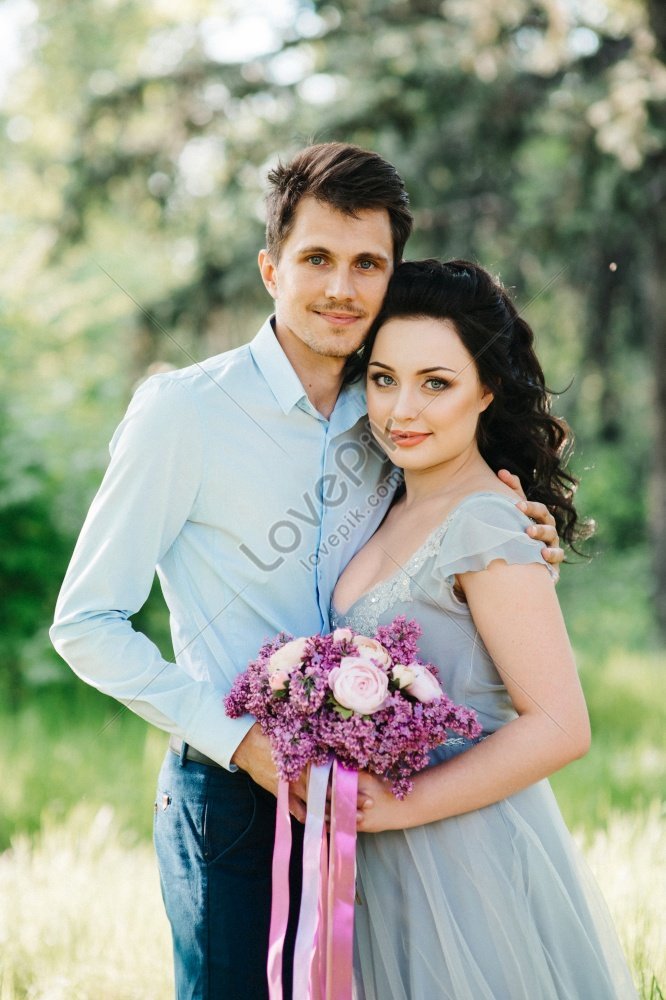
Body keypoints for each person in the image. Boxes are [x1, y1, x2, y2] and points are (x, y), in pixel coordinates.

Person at [50, 145, 563, 1000]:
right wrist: (242, 744)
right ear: (270, 268)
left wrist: (520, 524)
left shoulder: (397, 411)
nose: (341, 288)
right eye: (317, 259)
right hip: (234, 798)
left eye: (368, 264)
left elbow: (454, 549)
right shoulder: (187, 412)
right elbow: (86, 622)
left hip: (386, 796)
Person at [331, 258, 637, 999]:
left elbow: (562, 726)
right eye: (382, 378)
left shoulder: (490, 522)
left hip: (465, 864)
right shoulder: (383, 507)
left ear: (487, 390)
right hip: (378, 868)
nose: (402, 408)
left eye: (436, 383)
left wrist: (396, 804)